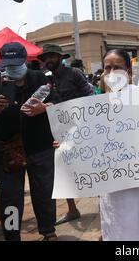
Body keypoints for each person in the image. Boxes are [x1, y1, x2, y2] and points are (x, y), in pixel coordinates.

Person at [0, 42, 60, 241]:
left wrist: (43, 108)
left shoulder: (39, 78)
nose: (13, 68)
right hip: (9, 148)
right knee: (9, 195)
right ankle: (12, 234)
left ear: (25, 60)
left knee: (44, 191)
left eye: (17, 63)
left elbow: (58, 103)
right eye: (9, 64)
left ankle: (48, 231)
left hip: (40, 145)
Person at [99, 49, 139, 241]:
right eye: (107, 68)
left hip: (138, 182)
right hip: (110, 180)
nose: (111, 73)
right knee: (113, 226)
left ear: (127, 69)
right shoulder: (97, 103)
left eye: (117, 68)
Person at [37, 43, 95, 225]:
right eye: (46, 58)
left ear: (60, 57)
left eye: (52, 56)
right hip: (59, 131)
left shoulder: (74, 73)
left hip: (81, 128)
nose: (49, 60)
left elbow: (90, 94)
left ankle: (106, 207)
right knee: (63, 169)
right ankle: (72, 209)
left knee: (94, 165)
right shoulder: (46, 81)